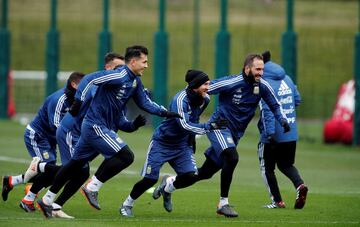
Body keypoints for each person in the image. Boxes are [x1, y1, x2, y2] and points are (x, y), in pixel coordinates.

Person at [36, 45, 181, 218]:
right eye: (144, 62)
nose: (146, 66)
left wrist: (165, 112)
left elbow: (145, 102)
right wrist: (78, 101)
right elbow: (89, 79)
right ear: (133, 61)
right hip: (95, 126)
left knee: (74, 166)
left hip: (96, 127)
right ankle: (92, 187)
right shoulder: (119, 75)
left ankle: (47, 201)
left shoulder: (135, 81)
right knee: (126, 156)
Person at [154, 53, 290, 218]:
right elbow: (204, 88)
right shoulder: (232, 82)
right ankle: (223, 203)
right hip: (218, 127)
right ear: (247, 68)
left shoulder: (263, 86)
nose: (260, 72)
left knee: (204, 173)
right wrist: (186, 108)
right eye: (257, 69)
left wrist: (282, 119)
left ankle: (169, 185)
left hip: (235, 134)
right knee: (232, 157)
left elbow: (275, 105)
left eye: (262, 69)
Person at [18, 53, 127, 218]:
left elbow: (115, 115)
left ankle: (34, 197)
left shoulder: (114, 87)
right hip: (70, 132)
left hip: (85, 135)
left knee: (78, 171)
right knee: (76, 170)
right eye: (117, 68)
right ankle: (44, 183)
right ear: (107, 67)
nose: (121, 71)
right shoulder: (95, 84)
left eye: (123, 68)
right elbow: (74, 113)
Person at [119, 70, 228, 217]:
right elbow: (184, 125)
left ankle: (167, 188)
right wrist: (210, 126)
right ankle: (127, 204)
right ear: (195, 85)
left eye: (209, 84)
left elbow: (194, 120)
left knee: (191, 176)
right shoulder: (180, 100)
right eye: (205, 84)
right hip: (162, 143)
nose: (208, 87)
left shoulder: (205, 99)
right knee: (150, 179)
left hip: (182, 145)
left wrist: (191, 138)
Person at [1, 72, 85, 210]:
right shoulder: (59, 100)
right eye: (83, 85)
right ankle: (28, 200)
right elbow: (57, 126)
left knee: (54, 171)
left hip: (51, 138)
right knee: (52, 170)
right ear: (74, 85)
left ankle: (13, 181)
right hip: (38, 136)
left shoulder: (77, 99)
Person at [257, 51, 308, 209]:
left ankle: (277, 201)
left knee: (267, 168)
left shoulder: (264, 83)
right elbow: (297, 100)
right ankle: (300, 186)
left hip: (274, 134)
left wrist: (270, 134)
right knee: (286, 165)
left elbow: (267, 111)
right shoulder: (287, 78)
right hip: (291, 132)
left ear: (262, 64)